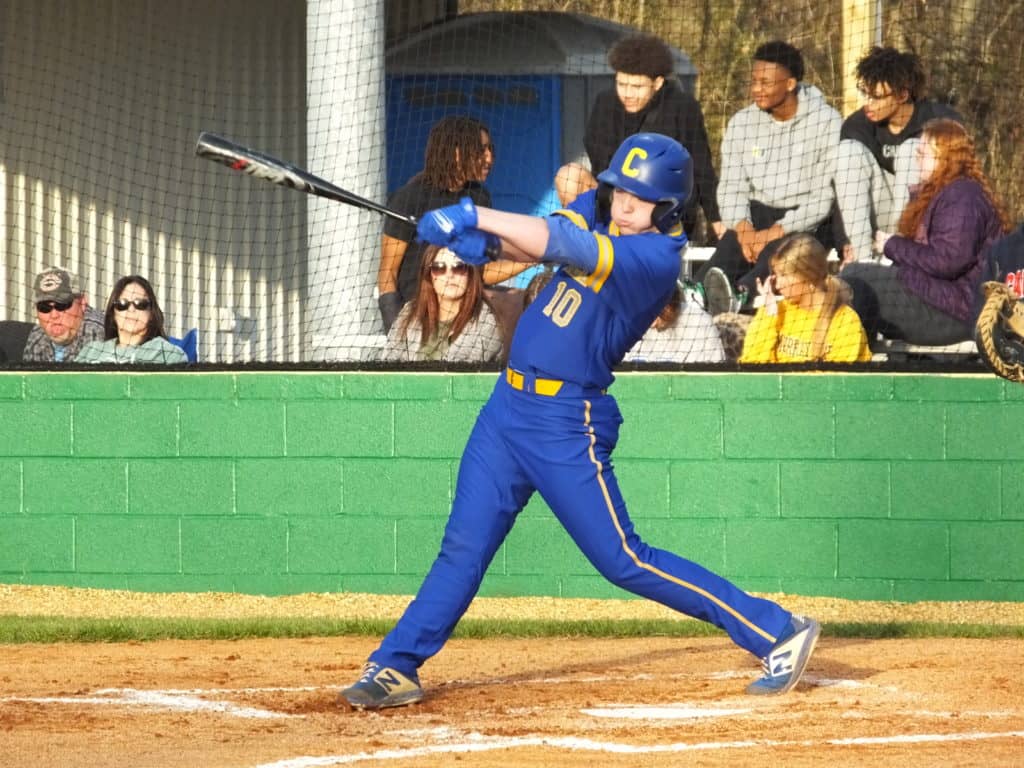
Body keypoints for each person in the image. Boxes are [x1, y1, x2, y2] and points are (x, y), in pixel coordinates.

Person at [341, 133, 820, 711]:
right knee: (463, 547)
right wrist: (481, 244)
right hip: (507, 408)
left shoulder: (656, 258)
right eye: (620, 191)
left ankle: (777, 630)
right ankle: (397, 664)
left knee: (624, 559)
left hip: (566, 419)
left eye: (639, 199)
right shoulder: (604, 206)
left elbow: (562, 243)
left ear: (668, 207)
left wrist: (473, 215)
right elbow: (538, 241)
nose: (623, 204)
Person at [697, 41, 841, 315]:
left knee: (776, 253)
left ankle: (743, 295)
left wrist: (773, 233)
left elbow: (823, 199)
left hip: (806, 223)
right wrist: (744, 231)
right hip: (756, 216)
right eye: (753, 81)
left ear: (790, 84)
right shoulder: (742, 122)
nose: (756, 89)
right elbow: (731, 187)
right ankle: (698, 292)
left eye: (765, 82)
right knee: (730, 246)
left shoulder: (827, 122)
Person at [842, 119, 1011, 346]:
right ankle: (859, 352)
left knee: (856, 279)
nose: (917, 159)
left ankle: (853, 358)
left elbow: (948, 261)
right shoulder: (943, 191)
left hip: (955, 311)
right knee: (854, 276)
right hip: (940, 297)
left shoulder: (962, 196)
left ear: (946, 158)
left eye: (923, 154)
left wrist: (892, 245)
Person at [556, 33, 722, 243]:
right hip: (616, 200)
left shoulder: (683, 108)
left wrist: (717, 222)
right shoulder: (605, 105)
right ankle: (582, 247)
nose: (627, 94)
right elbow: (602, 166)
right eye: (621, 84)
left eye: (637, 87)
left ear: (657, 83)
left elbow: (701, 168)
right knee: (569, 176)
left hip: (664, 207)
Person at [377, 115, 528, 332]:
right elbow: (387, 274)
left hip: (464, 308)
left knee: (520, 300)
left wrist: (531, 260)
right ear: (456, 153)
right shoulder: (409, 198)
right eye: (481, 150)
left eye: (490, 150)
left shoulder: (479, 197)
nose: (489, 158)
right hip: (419, 315)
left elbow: (480, 272)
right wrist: (396, 331)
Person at [836, 47, 961, 264]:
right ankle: (862, 262)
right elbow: (846, 186)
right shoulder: (857, 125)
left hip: (927, 216)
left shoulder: (940, 120)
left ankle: (899, 253)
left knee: (911, 149)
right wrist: (843, 240)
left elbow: (958, 182)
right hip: (879, 213)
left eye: (876, 97)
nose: (868, 103)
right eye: (865, 94)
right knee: (847, 151)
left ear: (902, 95)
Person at [738, 234, 871, 363]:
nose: (777, 285)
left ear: (809, 278)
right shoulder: (775, 311)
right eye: (776, 275)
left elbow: (840, 377)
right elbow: (752, 366)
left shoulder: (845, 321)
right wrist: (768, 316)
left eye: (783, 275)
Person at [377, 245, 504, 363]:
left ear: (470, 274)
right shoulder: (410, 312)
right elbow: (389, 361)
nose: (449, 275)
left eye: (459, 267)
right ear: (429, 276)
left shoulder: (487, 321)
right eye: (439, 268)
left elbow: (464, 374)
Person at [76, 275, 188, 364]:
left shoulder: (167, 353)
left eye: (140, 303)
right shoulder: (91, 352)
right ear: (113, 313)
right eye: (122, 304)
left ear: (151, 313)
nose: (131, 309)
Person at [623, 285, 726, 363]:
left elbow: (715, 380)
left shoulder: (701, 324)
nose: (652, 324)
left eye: (658, 313)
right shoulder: (624, 324)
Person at [22, 266, 104, 362]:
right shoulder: (38, 335)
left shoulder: (94, 330)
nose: (54, 315)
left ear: (82, 303)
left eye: (62, 305)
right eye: (44, 307)